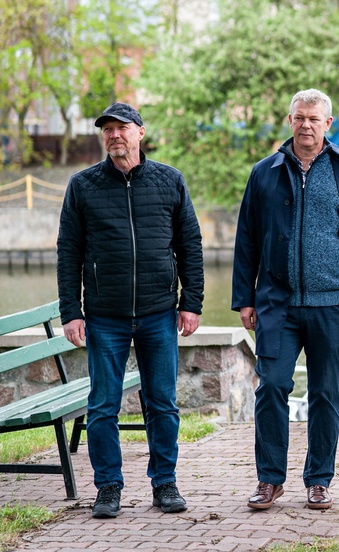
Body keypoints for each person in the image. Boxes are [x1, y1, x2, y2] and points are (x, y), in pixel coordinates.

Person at [232, 89, 339, 511]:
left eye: (314, 118)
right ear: (290, 121)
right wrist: (244, 298)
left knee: (325, 391)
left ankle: (319, 480)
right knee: (272, 386)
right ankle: (270, 479)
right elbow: (246, 238)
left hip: (332, 304)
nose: (306, 125)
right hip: (277, 304)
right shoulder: (264, 172)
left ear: (328, 124)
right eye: (299, 117)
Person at [57, 102, 204, 518]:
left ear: (140, 132)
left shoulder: (169, 180)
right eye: (107, 129)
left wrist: (191, 303)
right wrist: (71, 311)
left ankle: (165, 483)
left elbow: (189, 245)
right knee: (103, 406)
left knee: (163, 404)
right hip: (105, 316)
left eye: (122, 127)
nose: (114, 135)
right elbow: (68, 252)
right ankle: (108, 487)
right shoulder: (83, 185)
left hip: (159, 312)